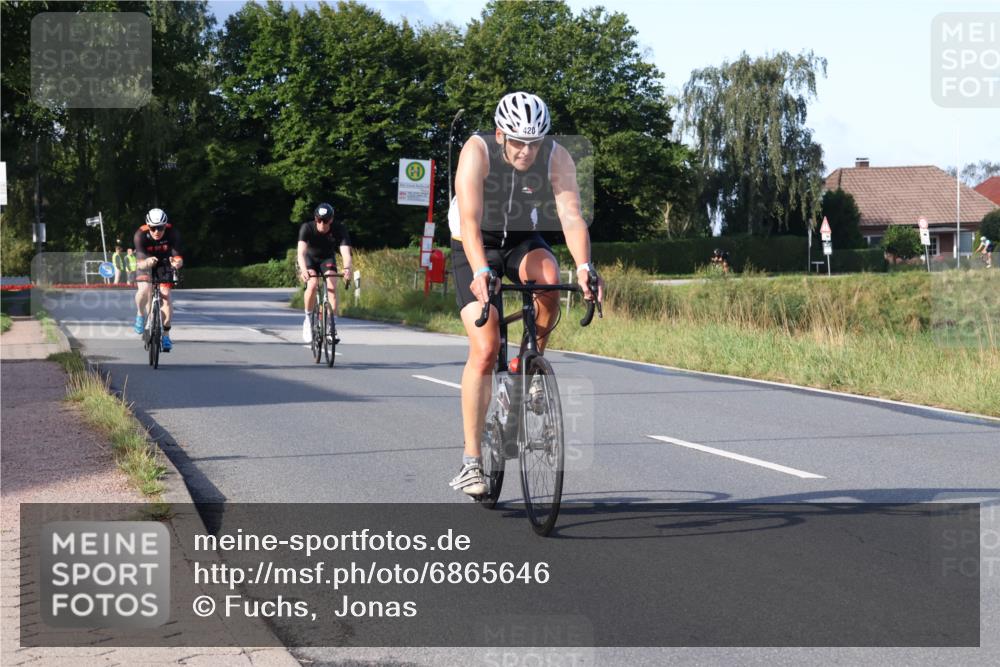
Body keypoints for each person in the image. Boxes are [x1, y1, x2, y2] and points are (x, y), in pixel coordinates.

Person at [447, 91, 604, 496]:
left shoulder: (557, 157)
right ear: (501, 135)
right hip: (473, 240)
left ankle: (528, 366)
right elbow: (469, 218)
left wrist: (585, 267)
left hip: (519, 237)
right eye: (518, 141)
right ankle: (471, 461)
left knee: (550, 276)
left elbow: (571, 215)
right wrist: (482, 271)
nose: (526, 151)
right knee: (485, 346)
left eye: (534, 142)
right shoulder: (477, 151)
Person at [297, 203, 353, 343]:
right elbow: (301, 253)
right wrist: (304, 270)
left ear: (331, 220)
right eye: (319, 220)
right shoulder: (307, 228)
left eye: (325, 220)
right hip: (310, 259)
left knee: (332, 287)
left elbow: (345, 252)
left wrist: (347, 269)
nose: (322, 223)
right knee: (313, 284)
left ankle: (330, 327)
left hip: (327, 259)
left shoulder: (339, 228)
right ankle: (308, 319)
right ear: (315, 219)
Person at [132, 208, 183, 351]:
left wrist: (177, 263)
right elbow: (140, 263)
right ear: (148, 226)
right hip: (145, 263)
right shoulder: (140, 235)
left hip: (165, 263)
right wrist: (146, 262)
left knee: (166, 294)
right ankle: (140, 314)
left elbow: (178, 258)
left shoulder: (173, 233)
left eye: (160, 227)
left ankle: (166, 335)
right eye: (153, 228)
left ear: (165, 225)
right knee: (144, 290)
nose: (156, 231)